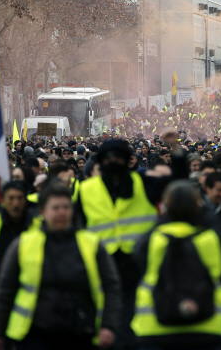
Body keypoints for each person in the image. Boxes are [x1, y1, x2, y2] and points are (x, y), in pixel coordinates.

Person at [76, 132, 187, 349]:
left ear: (128, 161)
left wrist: (175, 148)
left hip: (139, 265)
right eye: (108, 157)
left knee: (131, 321)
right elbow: (76, 228)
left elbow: (179, 181)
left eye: (119, 157)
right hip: (101, 265)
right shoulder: (86, 190)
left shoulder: (143, 183)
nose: (113, 161)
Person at [0, 182, 121, 350]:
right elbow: (4, 290)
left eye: (66, 207)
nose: (61, 213)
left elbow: (111, 286)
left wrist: (109, 325)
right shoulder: (24, 244)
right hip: (35, 334)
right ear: (42, 211)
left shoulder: (91, 243)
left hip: (81, 332)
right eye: (55, 208)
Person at [131, 181, 221, 350]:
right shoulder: (210, 239)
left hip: (155, 326)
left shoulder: (155, 238)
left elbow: (138, 253)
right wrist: (202, 212)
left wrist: (165, 217)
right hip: (206, 324)